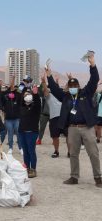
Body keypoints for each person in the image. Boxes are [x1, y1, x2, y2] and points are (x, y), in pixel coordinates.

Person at [47, 53, 101, 187]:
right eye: (70, 86)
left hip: (87, 127)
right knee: (73, 154)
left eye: (74, 86)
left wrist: (92, 64)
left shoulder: (86, 93)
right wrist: (49, 76)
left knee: (93, 153)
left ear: (78, 86)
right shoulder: (65, 96)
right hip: (72, 129)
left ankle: (98, 178)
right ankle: (74, 177)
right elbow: (53, 89)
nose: (72, 88)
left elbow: (94, 79)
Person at [41, 74, 69, 158]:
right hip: (54, 119)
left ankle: (69, 152)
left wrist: (70, 80)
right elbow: (45, 90)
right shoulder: (49, 96)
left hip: (65, 118)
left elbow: (67, 88)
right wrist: (43, 82)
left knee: (68, 136)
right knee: (55, 136)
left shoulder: (63, 95)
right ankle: (56, 151)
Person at [19, 88, 41, 178]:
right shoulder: (22, 106)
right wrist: (24, 90)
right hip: (22, 132)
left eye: (29, 94)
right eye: (25, 95)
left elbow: (38, 103)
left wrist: (35, 94)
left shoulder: (35, 107)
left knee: (31, 151)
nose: (27, 96)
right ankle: (27, 168)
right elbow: (20, 99)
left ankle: (33, 169)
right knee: (25, 151)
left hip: (32, 132)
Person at [1, 76, 23, 155]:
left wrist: (15, 81)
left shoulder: (17, 96)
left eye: (13, 88)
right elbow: (9, 88)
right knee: (10, 134)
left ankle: (21, 148)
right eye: (10, 88)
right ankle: (10, 148)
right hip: (8, 120)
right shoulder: (5, 98)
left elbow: (18, 89)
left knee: (18, 133)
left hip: (17, 119)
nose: (12, 89)